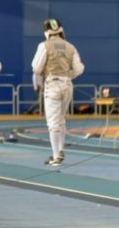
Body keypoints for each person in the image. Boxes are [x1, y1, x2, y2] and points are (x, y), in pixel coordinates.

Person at [31, 19, 84, 166]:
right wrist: (67, 75)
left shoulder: (44, 45)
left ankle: (56, 156)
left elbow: (36, 67)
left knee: (53, 123)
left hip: (52, 85)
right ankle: (60, 150)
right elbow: (79, 68)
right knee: (60, 119)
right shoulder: (70, 47)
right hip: (67, 86)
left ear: (47, 32)